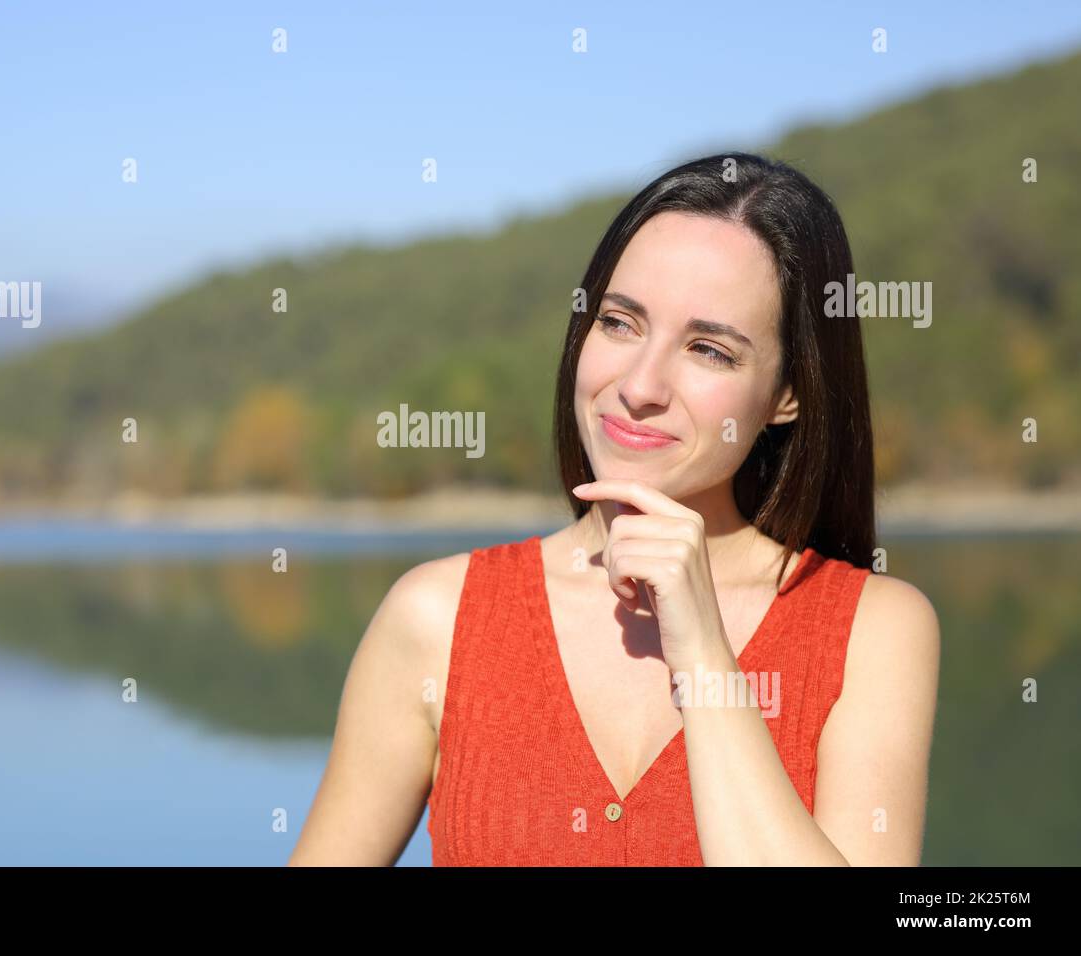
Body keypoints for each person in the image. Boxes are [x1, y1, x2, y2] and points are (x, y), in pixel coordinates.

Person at [288, 152, 940, 866]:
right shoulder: (436, 619)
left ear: (791, 394)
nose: (639, 385)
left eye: (709, 350)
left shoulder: (873, 631)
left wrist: (703, 656)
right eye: (621, 324)